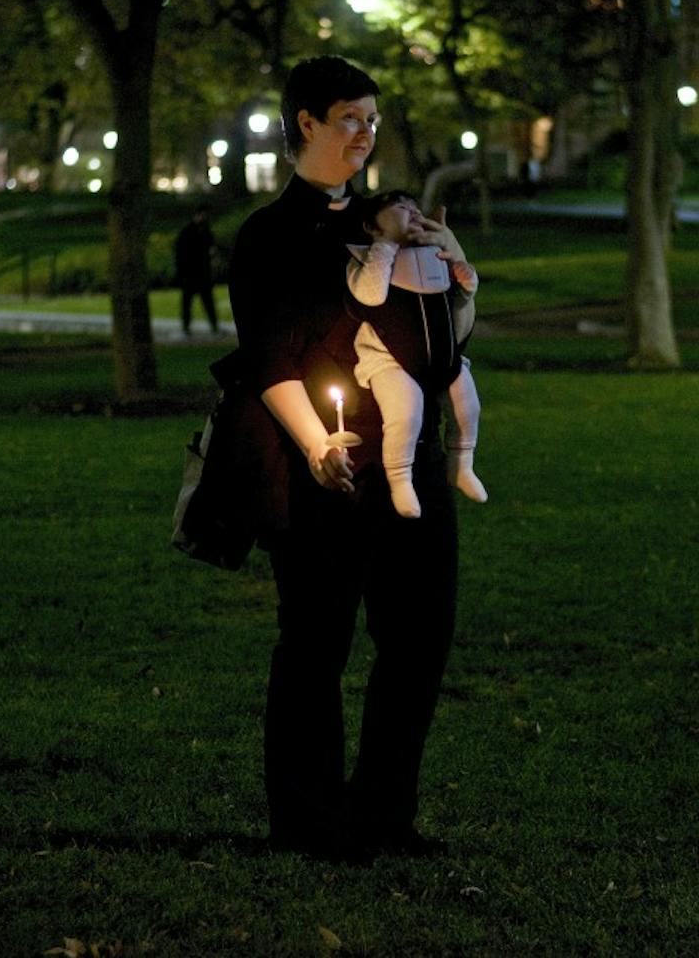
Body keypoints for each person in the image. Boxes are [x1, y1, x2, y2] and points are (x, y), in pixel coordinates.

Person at [226, 56, 464, 859]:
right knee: (315, 644)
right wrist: (314, 441)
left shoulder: (386, 220)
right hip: (321, 470)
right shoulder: (269, 236)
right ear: (307, 124)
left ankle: (383, 816)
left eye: (372, 120)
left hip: (413, 460)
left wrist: (452, 276)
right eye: (351, 119)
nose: (366, 133)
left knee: (419, 639)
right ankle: (308, 823)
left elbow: (438, 332)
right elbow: (268, 358)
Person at [347, 189, 487, 519]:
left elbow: (454, 307)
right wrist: (385, 246)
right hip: (387, 360)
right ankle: (400, 479)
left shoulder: (433, 255)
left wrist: (466, 284)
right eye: (400, 207)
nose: (412, 211)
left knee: (468, 405)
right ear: (371, 225)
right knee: (406, 413)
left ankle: (461, 463)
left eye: (414, 207)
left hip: (440, 354)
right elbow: (370, 296)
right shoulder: (365, 260)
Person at [175, 207, 219, 335]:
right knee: (189, 302)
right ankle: (187, 326)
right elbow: (181, 253)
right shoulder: (188, 232)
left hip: (202, 272)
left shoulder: (204, 231)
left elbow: (212, 249)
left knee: (206, 301)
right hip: (191, 273)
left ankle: (213, 325)